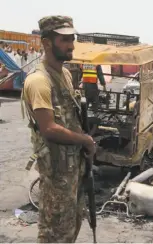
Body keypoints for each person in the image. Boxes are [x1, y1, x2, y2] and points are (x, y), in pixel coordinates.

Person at [21, 15, 95, 242]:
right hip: (56, 172)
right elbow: (49, 129)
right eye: (64, 40)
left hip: (73, 167)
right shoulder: (38, 81)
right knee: (54, 233)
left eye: (71, 38)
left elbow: (69, 117)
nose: (71, 44)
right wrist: (85, 140)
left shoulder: (64, 73)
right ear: (46, 43)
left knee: (72, 226)